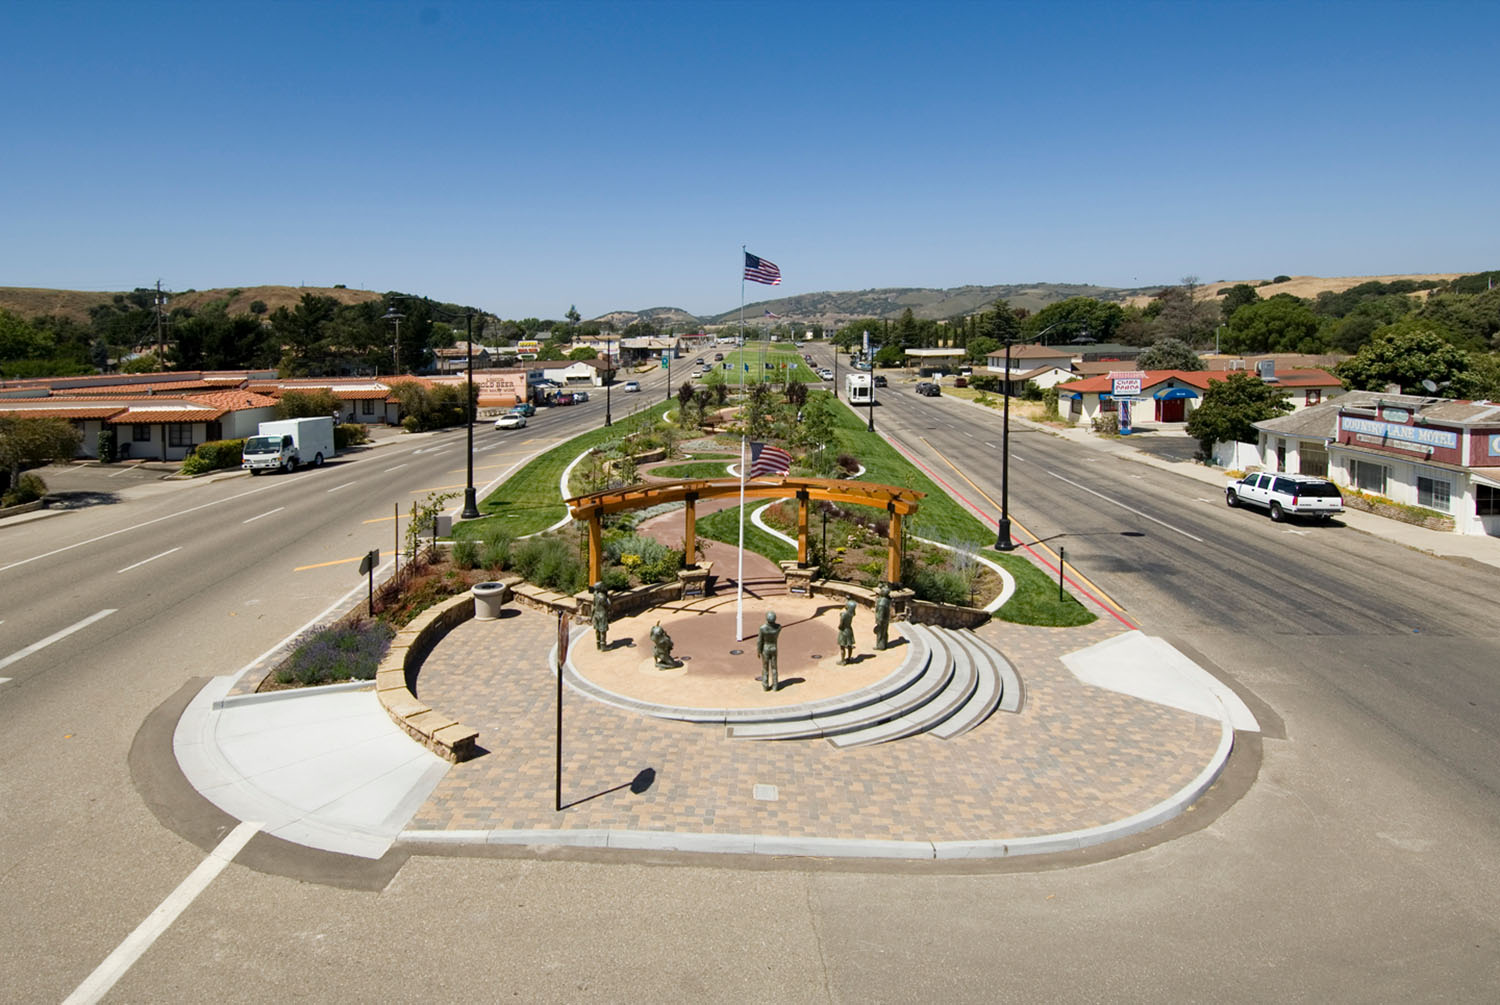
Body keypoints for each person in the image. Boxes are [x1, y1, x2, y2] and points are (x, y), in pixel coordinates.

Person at [756, 611, 781, 691]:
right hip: (774, 648)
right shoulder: (778, 627)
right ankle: (775, 686)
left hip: (765, 648)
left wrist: (758, 651)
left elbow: (760, 641)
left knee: (765, 668)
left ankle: (765, 686)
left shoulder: (762, 628)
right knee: (774, 667)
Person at [836, 599, 857, 665]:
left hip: (844, 630)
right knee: (849, 645)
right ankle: (849, 658)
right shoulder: (852, 614)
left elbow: (841, 624)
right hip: (849, 630)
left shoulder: (844, 614)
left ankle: (842, 660)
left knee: (842, 646)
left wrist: (839, 627)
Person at [874, 581, 892, 651]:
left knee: (880, 633)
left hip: (882, 620)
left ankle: (880, 646)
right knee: (884, 632)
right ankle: (884, 644)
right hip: (886, 619)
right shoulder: (887, 600)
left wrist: (878, 622)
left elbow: (880, 615)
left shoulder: (882, 603)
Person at [591, 583, 610, 651]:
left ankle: (598, 645)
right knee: (603, 631)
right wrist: (608, 598)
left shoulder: (595, 594)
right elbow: (608, 605)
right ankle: (603, 646)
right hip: (602, 614)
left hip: (596, 613)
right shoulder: (602, 597)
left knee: (597, 629)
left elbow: (594, 604)